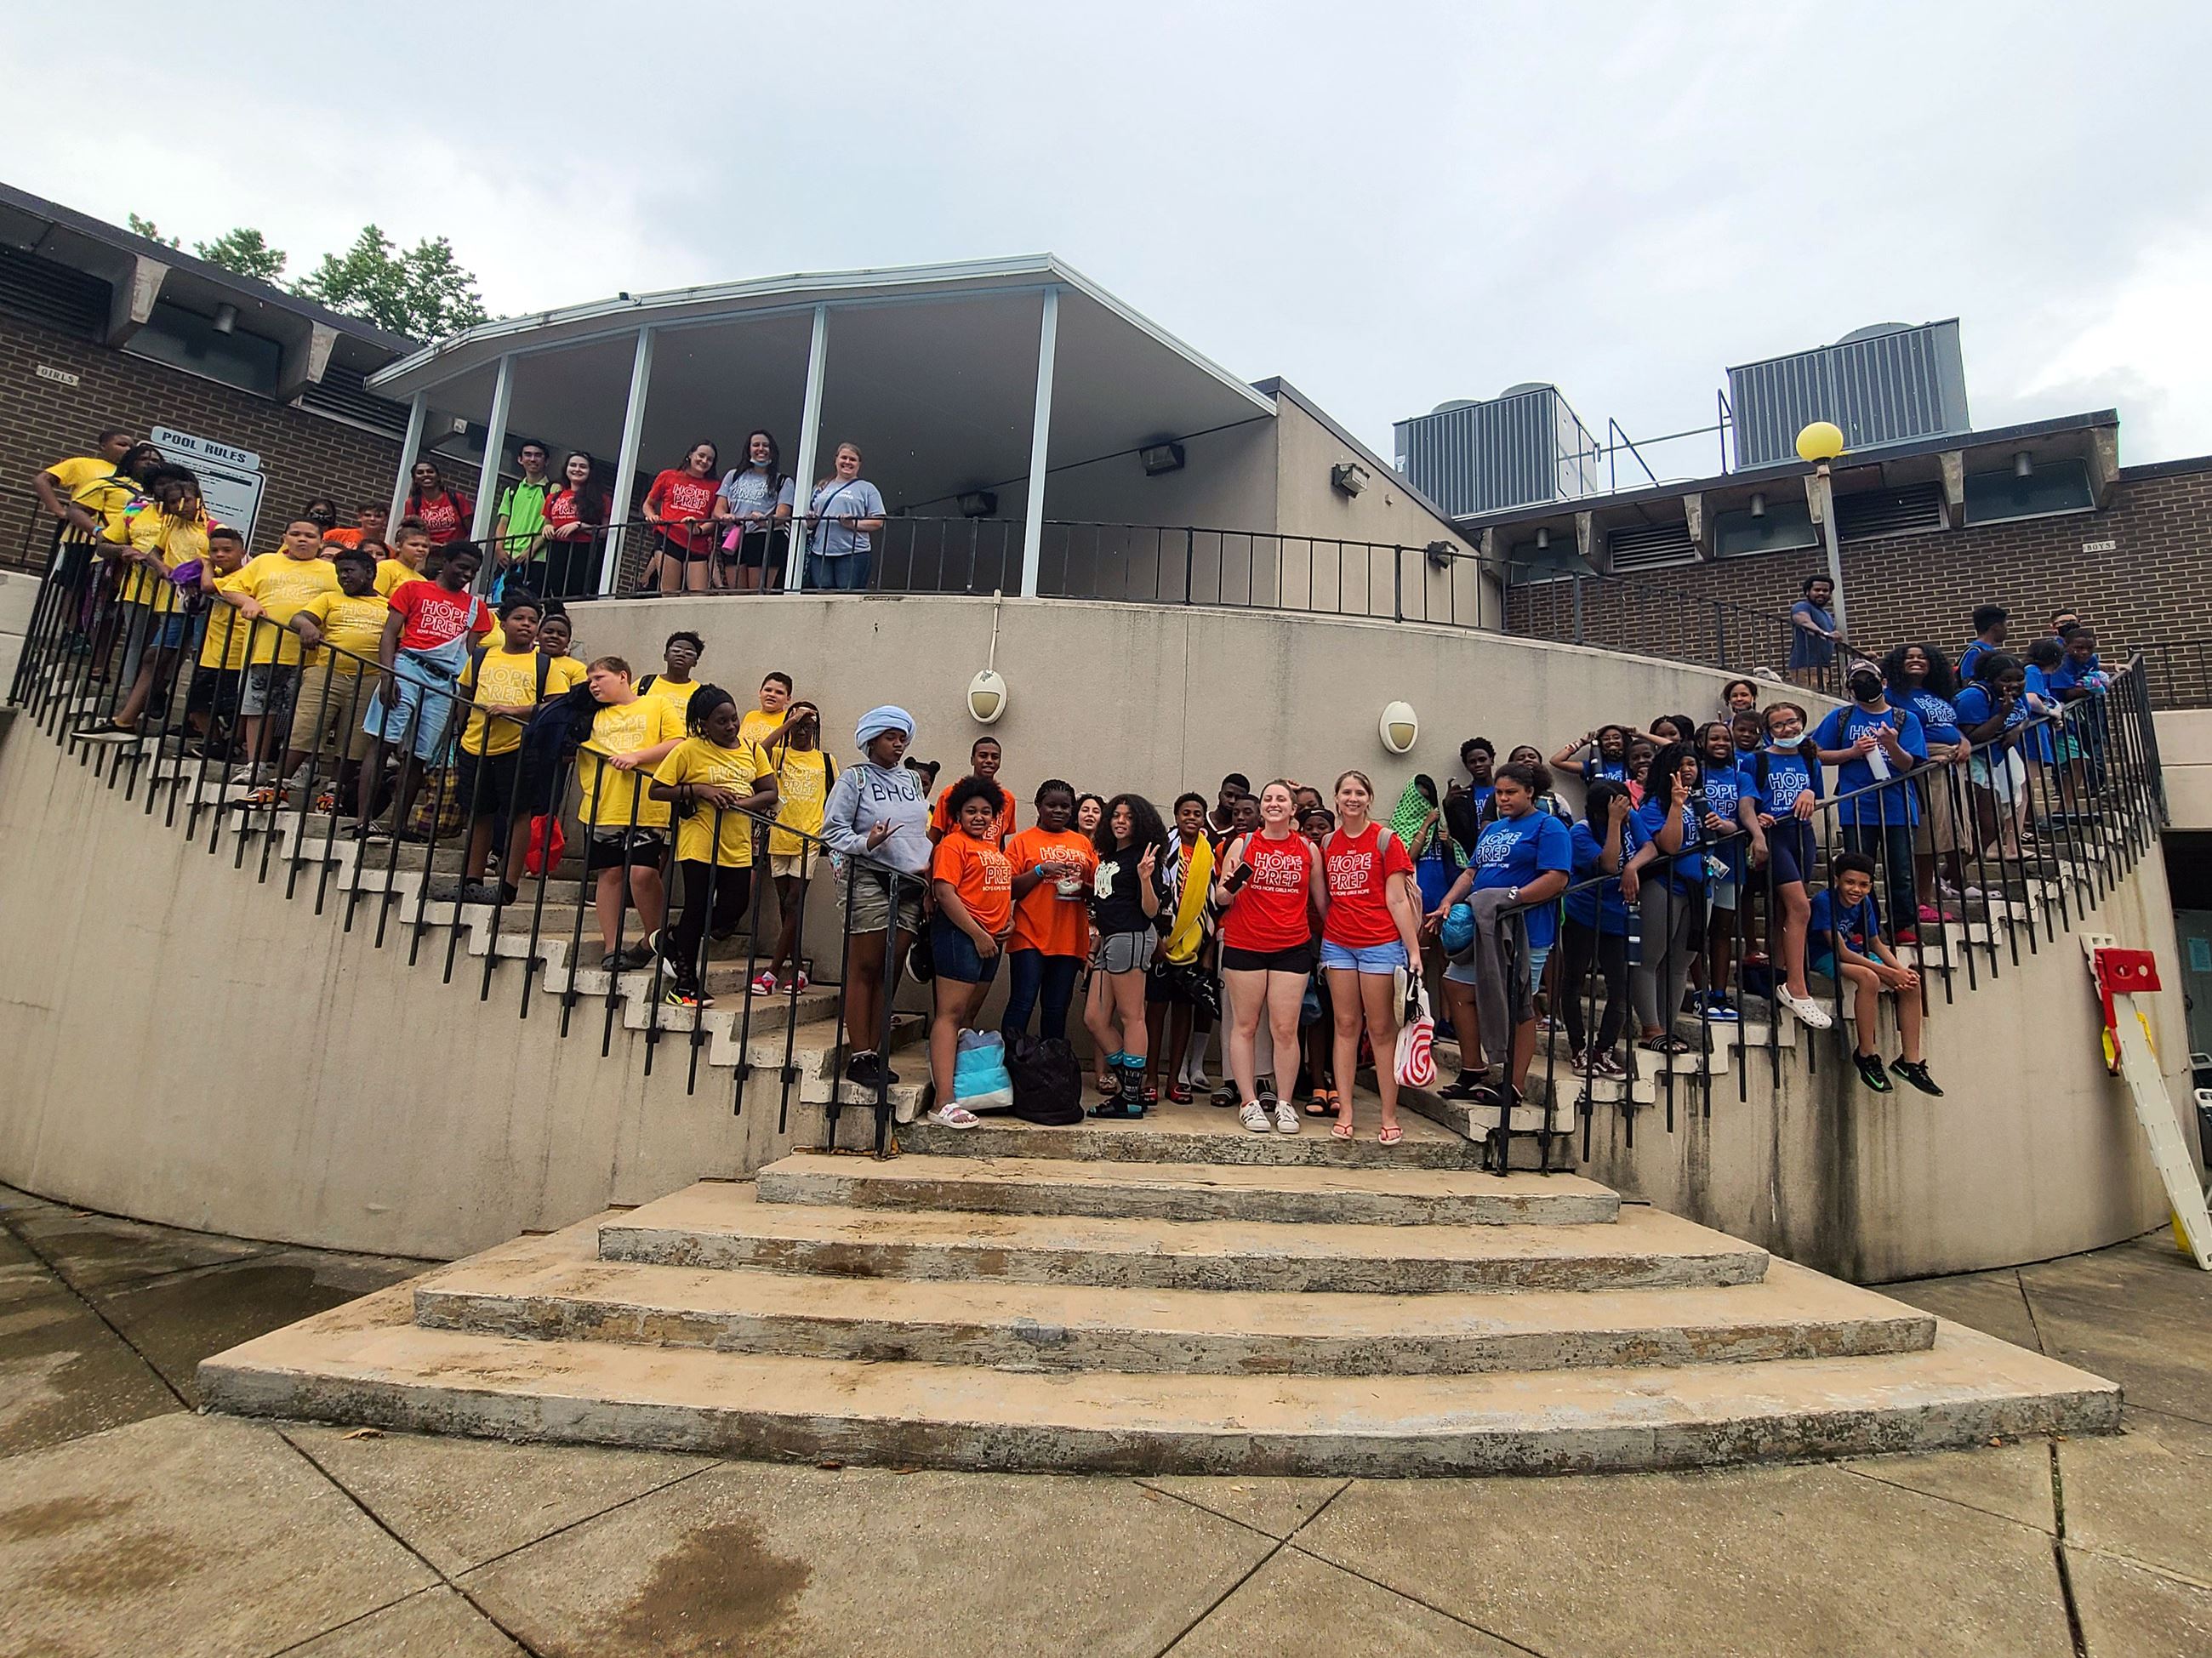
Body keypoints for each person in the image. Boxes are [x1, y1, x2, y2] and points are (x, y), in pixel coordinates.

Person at [1428, 762, 1571, 1108]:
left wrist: (1512, 898)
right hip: (1483, 927)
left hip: (1525, 930)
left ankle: (1514, 1084)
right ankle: (1473, 1068)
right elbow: (1472, 872)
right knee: (1456, 985)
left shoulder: (1549, 827)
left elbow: (1557, 878)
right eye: (1499, 793)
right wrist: (1448, 901)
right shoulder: (1493, 829)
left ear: (1530, 793)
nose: (1503, 798)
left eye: (1511, 793)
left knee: (1520, 1003)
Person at [821, 706, 932, 1088]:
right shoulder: (855, 779)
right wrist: (866, 842)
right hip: (868, 876)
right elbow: (831, 830)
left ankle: (877, 1051)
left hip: (910, 881)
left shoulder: (912, 780)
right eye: (890, 737)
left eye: (902, 738)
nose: (899, 744)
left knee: (892, 966)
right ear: (871, 740)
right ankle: (861, 1054)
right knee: (865, 966)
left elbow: (919, 830)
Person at [649, 685, 779, 1008]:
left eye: (734, 718)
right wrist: (701, 790)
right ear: (704, 724)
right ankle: (685, 984)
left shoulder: (752, 750)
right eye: (721, 722)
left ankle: (672, 939)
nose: (731, 726)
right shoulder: (688, 750)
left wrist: (742, 803)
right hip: (699, 840)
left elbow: (770, 792)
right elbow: (657, 789)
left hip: (737, 843)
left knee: (733, 908)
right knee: (696, 908)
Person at [928, 777, 1048, 1126]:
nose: (979, 817)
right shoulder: (952, 845)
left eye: (986, 812)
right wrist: (978, 934)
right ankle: (942, 1101)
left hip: (992, 940)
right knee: (950, 1015)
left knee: (967, 1017)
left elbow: (999, 890)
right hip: (962, 937)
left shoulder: (992, 849)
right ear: (957, 814)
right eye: (971, 811)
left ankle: (961, 1088)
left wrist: (1006, 922)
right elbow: (944, 893)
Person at [354, 543, 492, 840]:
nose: (467, 575)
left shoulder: (476, 608)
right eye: (462, 567)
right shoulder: (413, 589)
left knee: (420, 755)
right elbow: (389, 633)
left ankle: (399, 825)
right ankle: (363, 819)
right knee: (383, 742)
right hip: (408, 666)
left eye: (473, 571)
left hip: (445, 681)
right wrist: (388, 675)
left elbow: (469, 654)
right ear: (446, 561)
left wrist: (463, 697)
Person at [1320, 770, 1423, 1144]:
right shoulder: (1328, 842)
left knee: (1380, 1030)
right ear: (1336, 799)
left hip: (1380, 943)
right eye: (1346, 792)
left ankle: (1388, 1114)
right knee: (1345, 1026)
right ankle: (1346, 1111)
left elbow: (1397, 899)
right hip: (1338, 944)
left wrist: (1413, 950)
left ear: (1369, 798)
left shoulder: (1385, 840)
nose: (1352, 798)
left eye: (1359, 792)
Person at [1215, 780, 1322, 1135]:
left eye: (1281, 799)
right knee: (1245, 1026)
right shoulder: (1243, 843)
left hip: (1292, 947)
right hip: (1245, 944)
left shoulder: (1308, 848)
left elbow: (1321, 903)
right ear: (1261, 808)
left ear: (1293, 809)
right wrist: (1232, 885)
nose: (1274, 804)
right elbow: (1220, 899)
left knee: (1285, 1029)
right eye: (1268, 799)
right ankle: (1249, 1102)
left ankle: (1285, 1103)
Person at [448, 594, 571, 903]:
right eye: (519, 619)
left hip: (519, 748)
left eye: (532, 620)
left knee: (519, 813)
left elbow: (557, 706)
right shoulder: (481, 657)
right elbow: (464, 696)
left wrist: (516, 711)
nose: (526, 625)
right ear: (503, 624)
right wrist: (458, 734)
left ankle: (508, 885)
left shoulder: (545, 664)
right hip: (475, 745)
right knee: (480, 813)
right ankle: (472, 880)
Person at [573, 657, 683, 969]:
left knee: (643, 873)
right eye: (589, 680)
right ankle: (612, 946)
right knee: (610, 873)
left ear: (623, 676)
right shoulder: (590, 714)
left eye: (600, 677)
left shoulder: (657, 704)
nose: (593, 685)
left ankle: (654, 938)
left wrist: (637, 757)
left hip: (646, 806)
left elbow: (677, 742)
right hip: (602, 805)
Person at [1813, 660, 1928, 947]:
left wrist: (1891, 744)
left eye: (1870, 679)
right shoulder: (1841, 718)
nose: (1864, 685)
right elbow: (1817, 753)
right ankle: (1865, 926)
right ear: (1850, 688)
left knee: (1901, 871)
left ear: (1883, 682)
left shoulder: (1905, 719)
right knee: (1857, 871)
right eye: (1857, 681)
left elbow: (1909, 764)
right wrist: (1851, 752)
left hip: (1898, 806)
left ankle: (1902, 925)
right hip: (1856, 806)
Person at [217, 517, 340, 783]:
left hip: (311, 656)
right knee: (259, 709)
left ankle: (303, 768)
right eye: (295, 534)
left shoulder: (331, 571)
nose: (302, 539)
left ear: (321, 543)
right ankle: (256, 766)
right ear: (284, 538)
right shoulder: (264, 561)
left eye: (310, 535)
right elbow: (230, 588)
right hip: (265, 648)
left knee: (305, 715)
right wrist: (248, 601)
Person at [1811, 852, 1942, 1096]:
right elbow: (1841, 952)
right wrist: (1887, 972)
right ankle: (1866, 1054)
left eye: (1863, 885)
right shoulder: (1823, 901)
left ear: (1871, 885)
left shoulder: (1864, 903)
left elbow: (1876, 943)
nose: (1856, 889)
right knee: (1868, 978)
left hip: (1851, 952)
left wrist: (1900, 971)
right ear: (1837, 880)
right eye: (1850, 882)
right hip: (1822, 955)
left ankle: (1910, 1062)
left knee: (1911, 983)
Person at [89, 465, 206, 738]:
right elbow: (106, 544)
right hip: (141, 590)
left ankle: (162, 699)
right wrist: (128, 552)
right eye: (164, 486)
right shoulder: (138, 512)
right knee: (142, 647)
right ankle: (129, 705)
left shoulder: (205, 525)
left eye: (181, 489)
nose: (174, 495)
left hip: (185, 601)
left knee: (179, 653)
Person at [279, 548, 389, 814]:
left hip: (369, 678)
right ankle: (277, 786)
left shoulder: (389, 606)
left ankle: (332, 792)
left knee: (354, 740)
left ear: (370, 573)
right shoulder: (329, 598)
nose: (343, 577)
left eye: (349, 571)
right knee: (305, 727)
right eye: (340, 573)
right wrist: (307, 626)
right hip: (326, 672)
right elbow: (298, 617)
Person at [1084, 794, 1169, 1119]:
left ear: (1140, 822)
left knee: (1132, 1016)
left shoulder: (1143, 857)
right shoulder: (1109, 856)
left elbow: (1151, 910)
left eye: (1129, 816)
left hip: (1131, 936)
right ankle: (1131, 1088)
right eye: (1116, 815)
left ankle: (1131, 1096)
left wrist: (1146, 878)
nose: (1121, 821)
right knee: (1094, 1018)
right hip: (1109, 939)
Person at [1750, 703, 1833, 1030]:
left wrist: (1810, 791)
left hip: (1803, 834)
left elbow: (1816, 796)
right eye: (1779, 725)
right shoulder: (1757, 760)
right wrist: (1757, 822)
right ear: (1769, 731)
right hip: (1775, 834)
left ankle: (1781, 971)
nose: (1788, 729)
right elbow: (1747, 802)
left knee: (1786, 910)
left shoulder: (1810, 758)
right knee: (1801, 906)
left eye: (1792, 722)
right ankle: (1797, 987)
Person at [1622, 743, 1707, 1056]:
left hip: (1698, 889)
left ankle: (1667, 1028)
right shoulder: (1653, 806)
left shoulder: (1699, 802)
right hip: (1664, 885)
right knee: (1649, 959)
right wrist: (1675, 805)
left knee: (1680, 964)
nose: (1688, 770)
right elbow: (1669, 846)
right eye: (1681, 765)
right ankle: (1650, 1028)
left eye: (1692, 764)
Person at [1884, 643, 1974, 926]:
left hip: (1951, 766)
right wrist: (1925, 755)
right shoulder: (1892, 695)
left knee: (1947, 834)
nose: (1916, 661)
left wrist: (1964, 741)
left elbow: (1949, 726)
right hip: (1925, 766)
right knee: (1928, 834)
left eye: (1922, 657)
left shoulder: (1937, 694)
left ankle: (1929, 895)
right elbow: (1891, 729)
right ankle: (1921, 900)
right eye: (1909, 657)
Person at [1001, 780, 1097, 1044]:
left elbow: (1100, 890)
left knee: (1056, 1009)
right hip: (1028, 936)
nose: (1058, 811)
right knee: (1022, 1003)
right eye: (1051, 805)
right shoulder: (1022, 841)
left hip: (1068, 940)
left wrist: (1083, 887)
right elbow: (1009, 889)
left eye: (1065, 807)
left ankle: (1050, 1062)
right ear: (1038, 806)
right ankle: (1011, 1059)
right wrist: (1040, 871)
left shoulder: (1082, 842)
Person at [1694, 721, 1768, 1020]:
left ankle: (1720, 993)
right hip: (1697, 859)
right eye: (1714, 738)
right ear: (1701, 742)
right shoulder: (1694, 772)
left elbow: (1746, 809)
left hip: (1731, 860)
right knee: (1698, 928)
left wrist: (1757, 836)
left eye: (1725, 738)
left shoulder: (1741, 776)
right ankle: (1699, 992)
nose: (1721, 743)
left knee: (1723, 929)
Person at [1559, 780, 1634, 1075]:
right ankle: (1578, 1049)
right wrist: (1614, 824)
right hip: (1583, 914)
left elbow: (1652, 847)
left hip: (1616, 915)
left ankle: (1604, 1050)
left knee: (1620, 986)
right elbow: (1609, 865)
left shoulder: (1631, 823)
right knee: (1574, 980)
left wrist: (1633, 866)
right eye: (1617, 807)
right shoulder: (1581, 832)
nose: (1625, 811)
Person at [1146, 790, 1217, 1102]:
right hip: (1161, 943)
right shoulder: (1162, 849)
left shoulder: (1208, 853)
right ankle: (1150, 1077)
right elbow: (1153, 891)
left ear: (1203, 820)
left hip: (1193, 946)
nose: (1191, 818)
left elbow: (1211, 901)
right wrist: (1156, 937)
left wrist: (1206, 949)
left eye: (1197, 814)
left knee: (1183, 1013)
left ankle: (1175, 1080)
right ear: (1176, 816)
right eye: (1186, 812)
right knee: (1154, 1012)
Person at [1954, 653, 2033, 858]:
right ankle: (1950, 872)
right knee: (1969, 826)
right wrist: (2002, 715)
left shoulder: (2017, 694)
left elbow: (2025, 715)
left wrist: (2016, 730)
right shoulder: (1973, 697)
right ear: (1990, 680)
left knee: (1993, 828)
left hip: (1991, 762)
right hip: (1969, 763)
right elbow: (1973, 737)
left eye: (2020, 679)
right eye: (2006, 680)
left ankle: (1953, 874)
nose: (2014, 684)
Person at [185, 529, 252, 757]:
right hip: (213, 650)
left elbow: (207, 586)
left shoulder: (244, 575)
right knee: (197, 700)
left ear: (242, 552)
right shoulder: (222, 574)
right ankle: (214, 742)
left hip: (235, 651)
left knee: (235, 705)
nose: (220, 555)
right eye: (214, 551)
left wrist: (207, 565)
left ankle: (234, 742)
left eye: (227, 550)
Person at [713, 430, 795, 591]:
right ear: (748, 449)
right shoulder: (733, 475)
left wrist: (765, 520)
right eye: (756, 445)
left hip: (763, 537)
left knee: (757, 592)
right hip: (733, 536)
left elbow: (783, 513)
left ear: (772, 450)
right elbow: (719, 507)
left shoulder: (783, 481)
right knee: (737, 592)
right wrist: (725, 516)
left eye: (766, 445)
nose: (761, 449)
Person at [803, 442, 886, 591]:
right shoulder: (821, 486)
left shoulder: (867, 488)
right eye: (844, 458)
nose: (847, 462)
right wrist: (811, 520)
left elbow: (878, 521)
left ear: (859, 464)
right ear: (836, 460)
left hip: (853, 552)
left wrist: (853, 524)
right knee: (823, 594)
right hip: (820, 551)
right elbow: (810, 519)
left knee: (847, 594)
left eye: (852, 459)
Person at [641, 442, 721, 595]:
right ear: (690, 455)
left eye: (710, 459)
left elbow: (713, 520)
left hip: (697, 544)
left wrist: (698, 530)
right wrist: (652, 516)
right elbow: (648, 504)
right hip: (669, 538)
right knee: (670, 593)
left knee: (699, 596)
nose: (704, 461)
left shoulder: (715, 486)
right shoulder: (668, 476)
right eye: (701, 456)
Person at [539, 453, 607, 600]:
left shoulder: (601, 499)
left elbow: (605, 531)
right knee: (557, 592)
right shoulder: (554, 497)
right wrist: (547, 528)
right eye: (573, 465)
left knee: (577, 594)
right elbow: (548, 522)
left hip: (584, 550)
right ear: (566, 469)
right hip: (557, 549)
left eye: (583, 466)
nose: (577, 469)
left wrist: (579, 525)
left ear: (590, 471)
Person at [929, 736, 1016, 846]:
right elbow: (934, 837)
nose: (989, 761)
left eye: (995, 757)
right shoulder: (951, 793)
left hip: (988, 855)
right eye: (983, 756)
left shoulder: (1007, 799)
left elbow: (1000, 840)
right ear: (972, 760)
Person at [492, 441, 555, 586]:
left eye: (538, 455)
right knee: (499, 597)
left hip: (537, 559)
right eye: (528, 455)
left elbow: (551, 525)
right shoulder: (511, 490)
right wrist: (499, 548)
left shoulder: (553, 490)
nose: (532, 459)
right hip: (507, 558)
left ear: (547, 461)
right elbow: (503, 523)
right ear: (520, 460)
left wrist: (531, 551)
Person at [1443, 737, 1496, 850]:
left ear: (1491, 760)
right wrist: (1448, 806)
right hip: (1477, 851)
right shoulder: (1464, 796)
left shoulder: (1505, 790)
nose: (1478, 764)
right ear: (1466, 766)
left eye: (1482, 759)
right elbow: (1459, 834)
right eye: (1472, 762)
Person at [403, 460, 472, 547]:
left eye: (430, 471)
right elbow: (410, 533)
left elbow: (471, 529)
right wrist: (434, 545)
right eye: (420, 473)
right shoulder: (412, 503)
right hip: (427, 551)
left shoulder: (457, 498)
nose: (426, 474)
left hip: (457, 551)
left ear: (438, 477)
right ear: (415, 479)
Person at [1789, 575, 1840, 689]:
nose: (1821, 593)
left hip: (1823, 668)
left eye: (1825, 591)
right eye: (1817, 590)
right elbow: (1804, 622)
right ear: (1807, 592)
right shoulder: (1802, 606)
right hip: (1806, 667)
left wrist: (1859, 655)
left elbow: (1832, 642)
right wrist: (1826, 634)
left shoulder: (1827, 616)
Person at [641, 630, 704, 721]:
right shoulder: (645, 684)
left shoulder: (701, 693)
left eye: (689, 653)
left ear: (695, 663)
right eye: (676, 651)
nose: (681, 655)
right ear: (665, 656)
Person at [1550, 723, 1631, 786]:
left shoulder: (1632, 764)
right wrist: (1581, 742)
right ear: (1600, 743)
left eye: (1616, 737)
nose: (1611, 741)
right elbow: (1556, 761)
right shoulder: (1593, 765)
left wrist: (1637, 735)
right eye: (1606, 739)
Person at [375, 520, 435, 598]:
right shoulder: (385, 567)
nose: (421, 549)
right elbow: (374, 598)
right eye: (414, 545)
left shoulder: (423, 580)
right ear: (398, 546)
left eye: (425, 546)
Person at [738, 671, 795, 749]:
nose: (772, 695)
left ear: (788, 699)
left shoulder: (791, 719)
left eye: (779, 692)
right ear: (760, 693)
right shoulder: (750, 715)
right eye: (768, 690)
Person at [1957, 605, 2010, 684]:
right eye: (2006, 625)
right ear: (1996, 627)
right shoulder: (1975, 652)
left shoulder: (1989, 651)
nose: (2007, 630)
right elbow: (1968, 683)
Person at [536, 609, 585, 683]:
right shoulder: (526, 657)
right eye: (549, 632)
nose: (554, 636)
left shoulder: (578, 669)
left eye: (561, 634)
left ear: (568, 641)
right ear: (537, 635)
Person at [323, 502, 387, 550]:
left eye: (378, 516)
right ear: (359, 517)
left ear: (385, 520)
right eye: (367, 515)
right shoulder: (335, 535)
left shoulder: (388, 550)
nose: (372, 519)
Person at [1206, 773, 1250, 840]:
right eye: (1228, 795)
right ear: (1219, 795)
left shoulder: (1242, 832)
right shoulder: (1201, 820)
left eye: (1238, 798)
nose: (1232, 801)